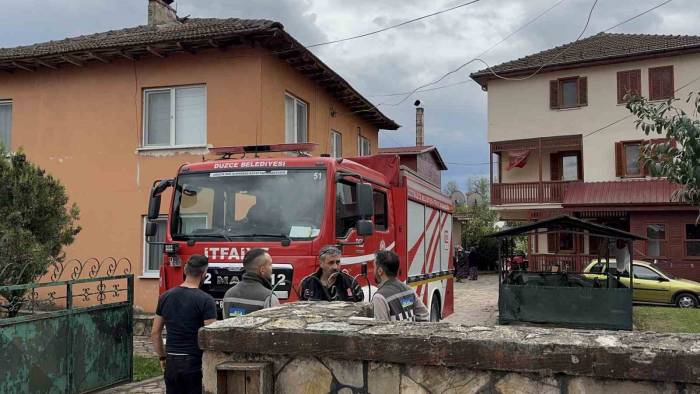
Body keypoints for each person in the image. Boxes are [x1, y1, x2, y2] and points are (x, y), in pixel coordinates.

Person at [151, 255, 217, 394]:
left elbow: (155, 333)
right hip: (194, 362)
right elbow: (211, 337)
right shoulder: (206, 300)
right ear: (204, 274)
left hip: (172, 361)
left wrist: (163, 357)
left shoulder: (165, 297)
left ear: (185, 270)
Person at [372, 250, 429, 322]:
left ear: (380, 271)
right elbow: (425, 316)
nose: (373, 271)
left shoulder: (379, 297)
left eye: (374, 267)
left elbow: (381, 329)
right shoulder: (409, 290)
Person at [222, 248, 280, 317]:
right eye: (270, 265)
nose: (272, 268)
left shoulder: (229, 294)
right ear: (262, 270)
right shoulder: (269, 298)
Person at [299, 245, 364, 302]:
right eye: (331, 263)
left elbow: (361, 307)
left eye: (337, 262)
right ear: (321, 263)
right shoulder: (309, 283)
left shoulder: (350, 283)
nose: (335, 267)